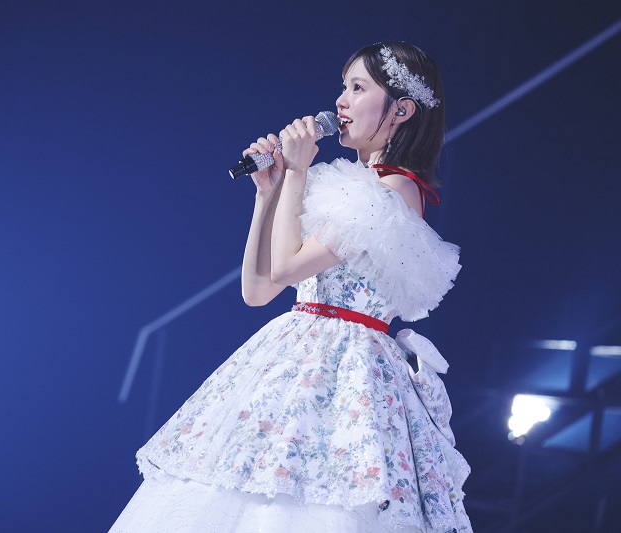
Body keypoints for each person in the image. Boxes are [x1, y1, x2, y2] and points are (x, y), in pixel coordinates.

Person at [110, 41, 471, 533]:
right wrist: (269, 192)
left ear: (401, 110)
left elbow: (284, 268)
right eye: (343, 87)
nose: (340, 101)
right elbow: (258, 290)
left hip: (346, 368)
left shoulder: (395, 189)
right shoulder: (352, 185)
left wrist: (297, 172)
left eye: (358, 88)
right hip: (297, 353)